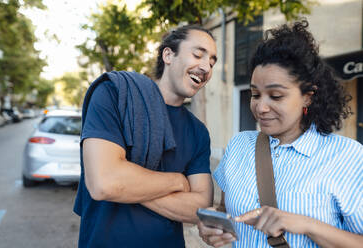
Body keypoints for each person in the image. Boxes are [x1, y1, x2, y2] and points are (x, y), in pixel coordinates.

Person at [198, 20, 363, 247]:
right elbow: (225, 211)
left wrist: (307, 225)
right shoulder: (239, 146)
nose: (261, 107)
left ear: (308, 96)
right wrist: (213, 228)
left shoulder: (348, 156)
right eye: (255, 95)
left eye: (275, 96)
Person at [73, 24, 217, 248]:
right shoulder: (114, 94)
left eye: (212, 61)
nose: (206, 66)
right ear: (168, 54)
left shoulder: (197, 131)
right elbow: (105, 183)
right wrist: (176, 181)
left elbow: (199, 208)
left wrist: (128, 184)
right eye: (198, 54)